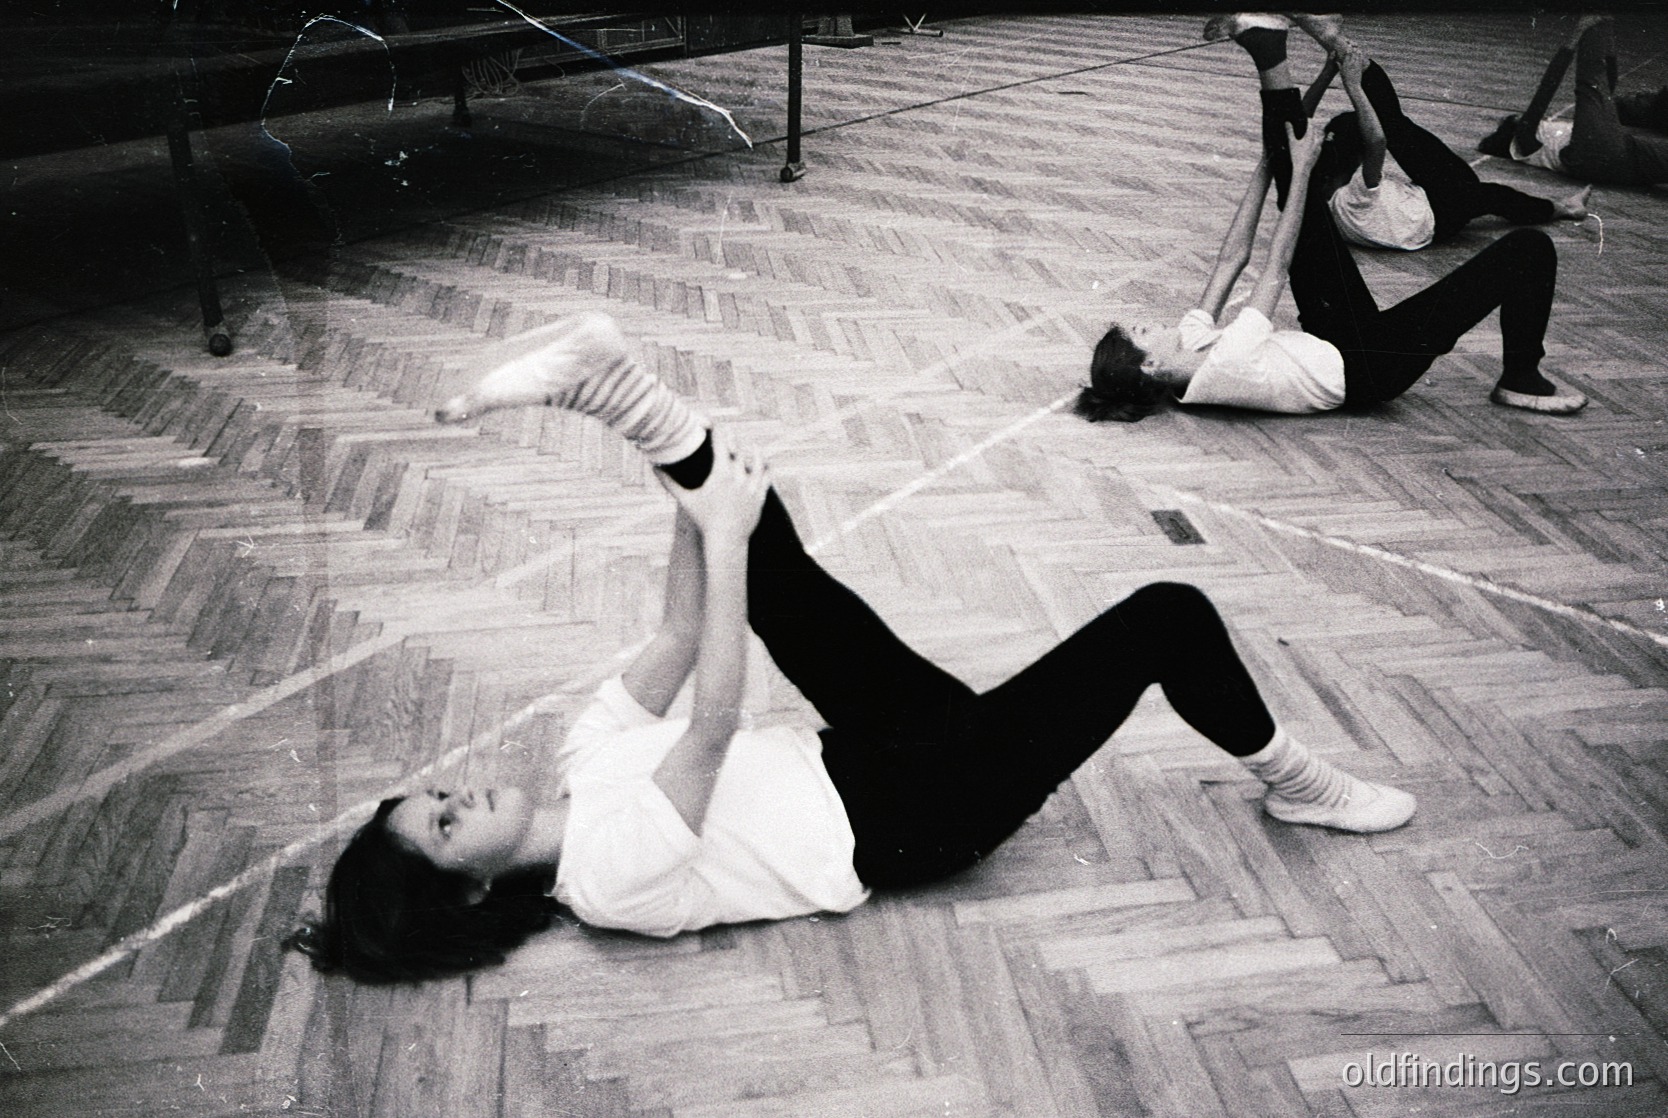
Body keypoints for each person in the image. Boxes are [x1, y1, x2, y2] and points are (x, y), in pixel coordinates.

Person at [291, 310, 1417, 983]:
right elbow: (719, 717)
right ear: (473, 893)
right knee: (1167, 613)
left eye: (432, 793)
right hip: (923, 814)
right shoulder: (604, 879)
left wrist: (691, 508)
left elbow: (683, 632)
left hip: (867, 747)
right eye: (445, 823)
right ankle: (1299, 783)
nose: (460, 793)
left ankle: (626, 403)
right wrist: (723, 527)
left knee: (748, 550)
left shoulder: (584, 760)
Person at [1076, 13, 1587, 424]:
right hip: (1369, 368)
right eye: (1138, 331)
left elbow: (1234, 256)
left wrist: (1268, 165)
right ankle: (1520, 379)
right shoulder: (1223, 368)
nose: (1144, 321)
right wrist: (1297, 173)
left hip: (1332, 333)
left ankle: (1267, 52)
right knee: (1529, 250)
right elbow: (1275, 268)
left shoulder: (1185, 347)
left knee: (1294, 190)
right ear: (1152, 364)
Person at [1278, 16, 1590, 250]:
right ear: (1354, 162)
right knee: (1489, 193)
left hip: (1420, 196)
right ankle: (1565, 208)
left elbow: (1299, 121)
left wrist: (1327, 72)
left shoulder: (1308, 188)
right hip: (1439, 215)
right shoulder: (1352, 196)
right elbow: (1377, 140)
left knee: (1396, 126)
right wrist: (1353, 85)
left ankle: (1336, 42)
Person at [1477, 15, 1668, 188]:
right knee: (1588, 82)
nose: (1523, 116)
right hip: (1588, 155)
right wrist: (1576, 37)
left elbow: (1605, 91)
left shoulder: (1540, 142)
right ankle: (1595, 18)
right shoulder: (1523, 141)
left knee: (1597, 90)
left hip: (1618, 161)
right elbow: (1545, 93)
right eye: (1517, 118)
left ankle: (1599, 25)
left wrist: (1608, 41)